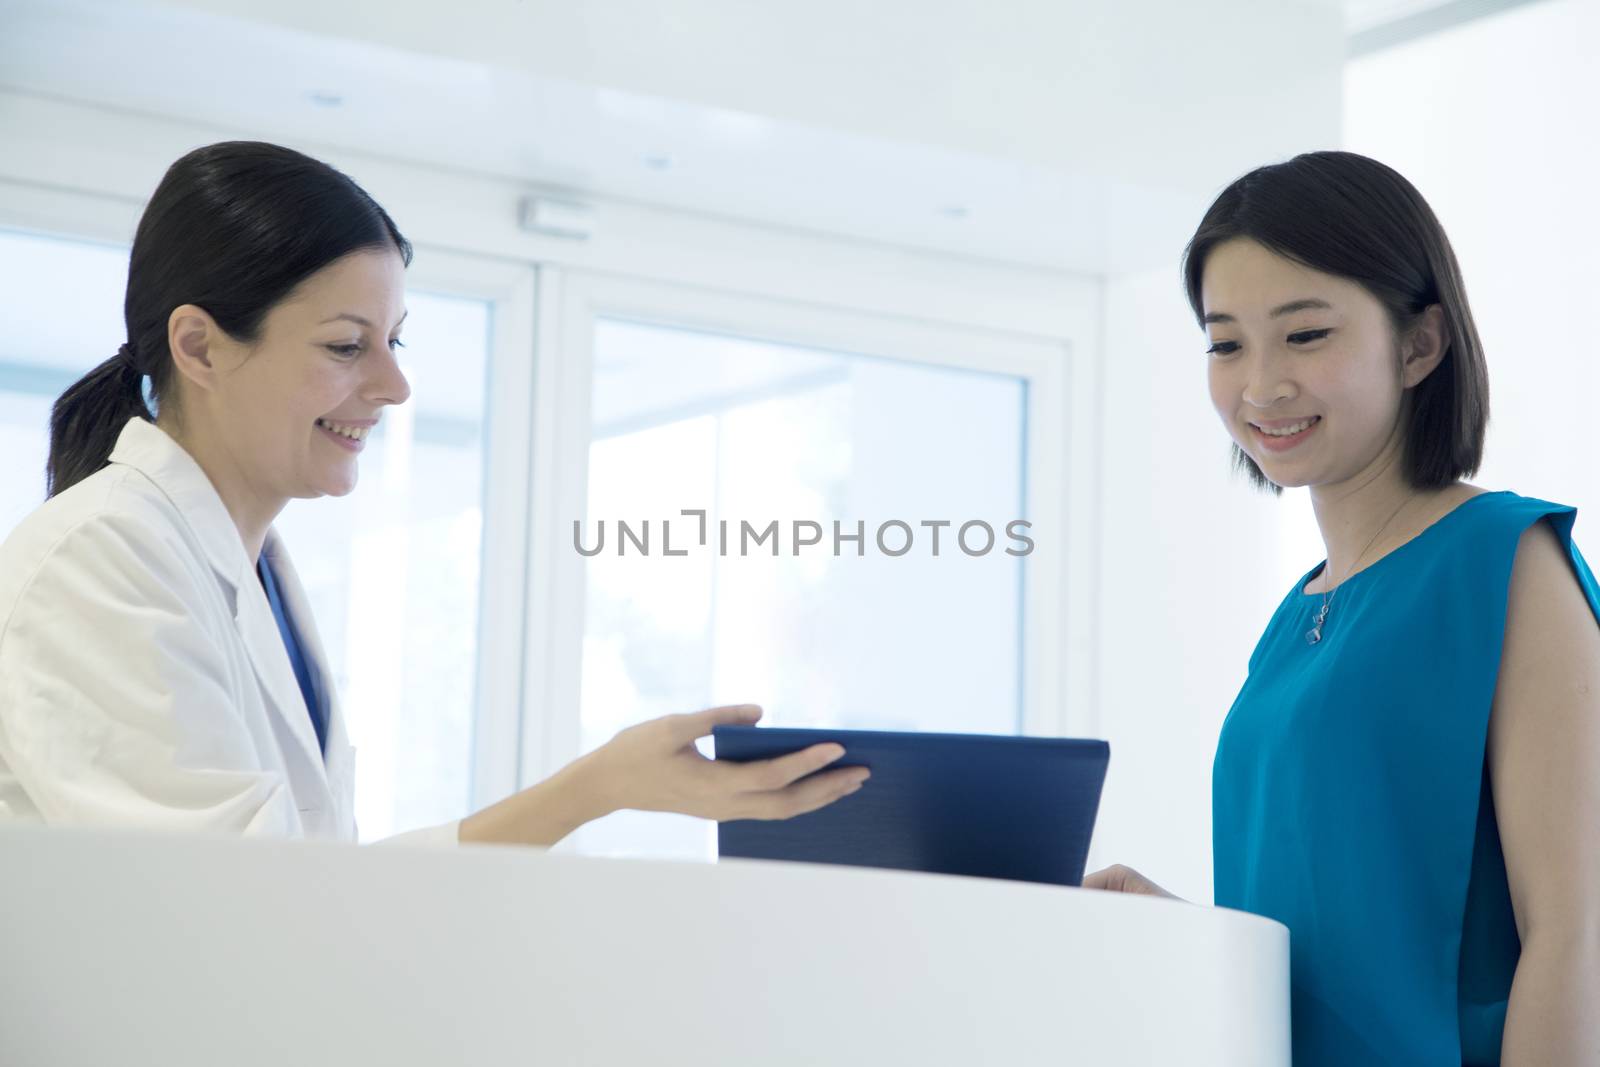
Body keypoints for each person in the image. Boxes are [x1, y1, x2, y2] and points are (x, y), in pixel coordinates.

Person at [0, 141, 869, 845]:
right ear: (200, 346)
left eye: (394, 343)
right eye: (346, 346)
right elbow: (240, 912)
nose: (393, 387)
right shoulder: (101, 558)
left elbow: (319, 892)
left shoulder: (249, 570)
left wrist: (600, 787)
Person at [1083, 151, 1600, 1065]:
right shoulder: (1296, 617)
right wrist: (1185, 934)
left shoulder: (1505, 560)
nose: (1261, 385)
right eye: (1226, 341)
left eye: (1306, 334)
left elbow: (1577, 935)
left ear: (1420, 344)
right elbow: (1340, 933)